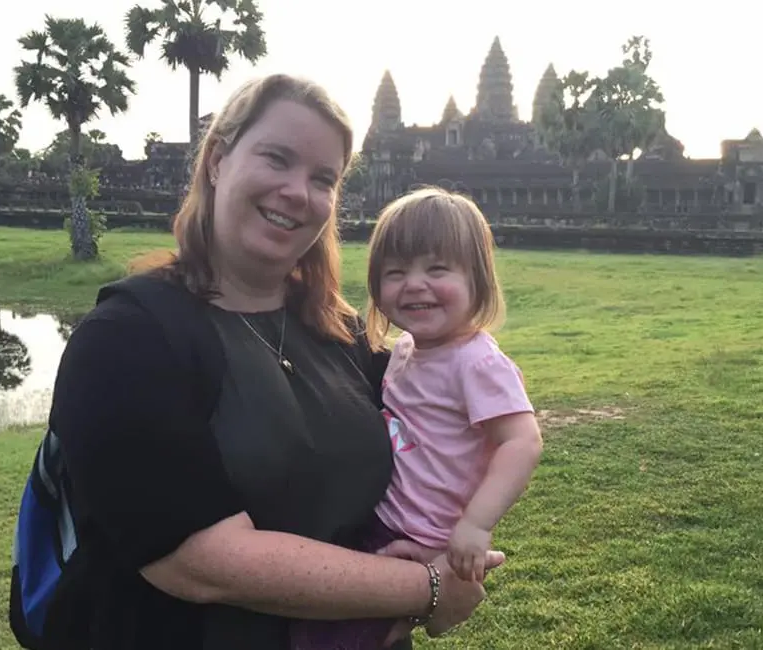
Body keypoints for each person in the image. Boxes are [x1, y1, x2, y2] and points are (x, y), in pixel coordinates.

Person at [43, 75, 506, 650]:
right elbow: (201, 561)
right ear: (216, 160)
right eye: (277, 159)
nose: (297, 192)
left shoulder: (345, 336)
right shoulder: (125, 341)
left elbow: (448, 444)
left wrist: (447, 540)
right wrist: (427, 587)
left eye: (322, 179)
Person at [290, 187, 544, 649]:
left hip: (418, 531)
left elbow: (521, 442)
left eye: (437, 268)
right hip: (381, 517)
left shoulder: (476, 362)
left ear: (478, 280)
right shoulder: (407, 348)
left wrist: (474, 526)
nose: (414, 284)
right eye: (395, 272)